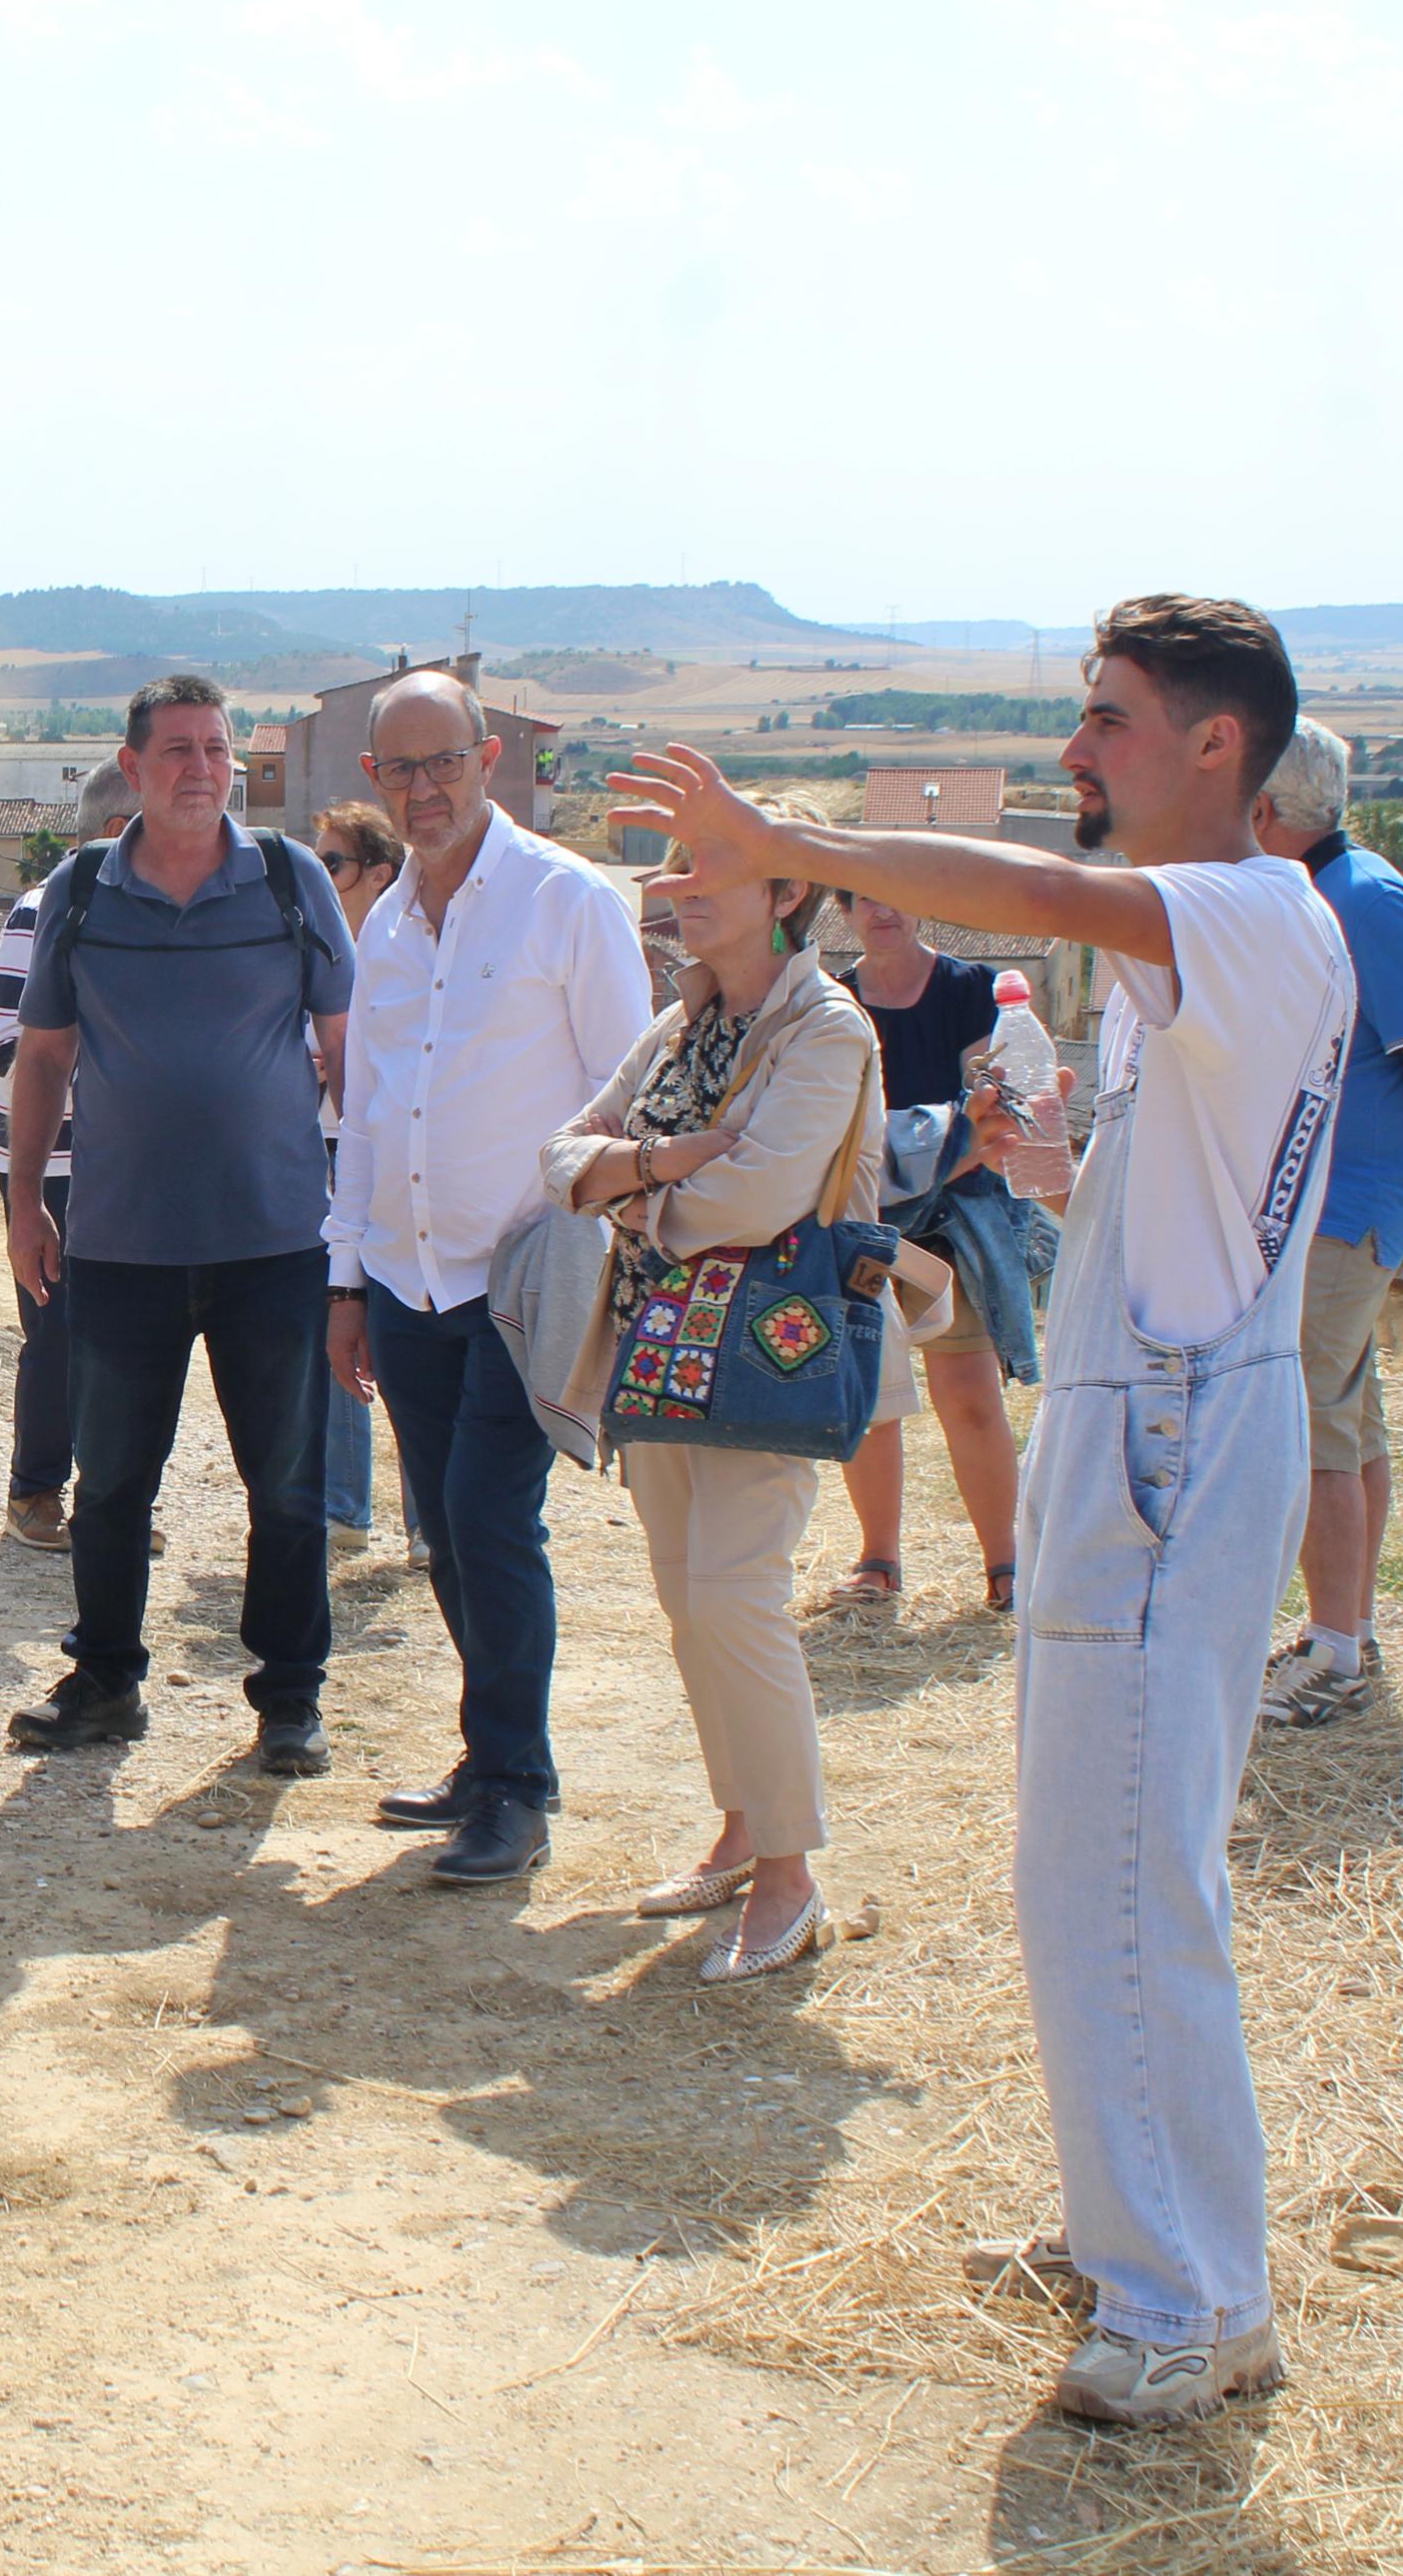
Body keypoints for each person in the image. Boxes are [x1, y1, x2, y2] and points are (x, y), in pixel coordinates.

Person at [611, 592, 1352, 2427]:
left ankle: (1181, 2300)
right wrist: (1058, 1170)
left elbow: (1026, 890)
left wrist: (791, 843)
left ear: (1212, 745)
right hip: (1158, 1417)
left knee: (1107, 1869)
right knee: (1098, 1859)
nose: (1077, 751)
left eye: (1108, 719)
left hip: (1170, 1436)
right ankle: (1152, 2246)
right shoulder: (1222, 944)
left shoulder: (1241, 905)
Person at [541, 807, 926, 1980]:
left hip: (769, 1346)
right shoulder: (677, 1023)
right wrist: (660, 1163)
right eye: (678, 867)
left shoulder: (825, 1030)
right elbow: (563, 1150)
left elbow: (756, 1200)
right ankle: (743, 1827)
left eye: (716, 868)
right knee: (684, 1596)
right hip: (659, 1340)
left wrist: (630, 1185)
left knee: (733, 1599)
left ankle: (791, 1874)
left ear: (782, 897)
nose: (683, 886)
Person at [327, 669, 655, 1883]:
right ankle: (488, 1756)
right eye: (398, 769)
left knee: (485, 1518)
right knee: (446, 1532)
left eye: (443, 762)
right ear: (373, 779)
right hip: (408, 1282)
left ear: (488, 758)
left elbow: (630, 1090)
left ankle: (516, 1784)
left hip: (526, 1280)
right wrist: (346, 1281)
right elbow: (363, 1111)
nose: (423, 789)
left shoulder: (566, 901)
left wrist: (605, 1257)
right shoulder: (383, 922)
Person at [2, 675, 356, 1776]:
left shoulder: (293, 882)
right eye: (176, 750)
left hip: (276, 1243)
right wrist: (22, 1203)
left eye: (215, 749)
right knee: (109, 1484)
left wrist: (365, 1228)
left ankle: (288, 1701)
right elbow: (44, 1057)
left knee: (286, 1487)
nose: (199, 769)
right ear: (133, 763)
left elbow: (348, 1056)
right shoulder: (81, 891)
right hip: (118, 1241)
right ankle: (105, 1680)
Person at [1252, 717, 1403, 1729]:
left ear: (1266, 806)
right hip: (1336, 1202)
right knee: (1347, 1419)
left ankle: (1334, 1654)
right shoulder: (1325, 894)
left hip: (1347, 1203)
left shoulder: (1368, 901)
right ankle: (1343, 1629)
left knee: (1310, 1428)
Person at [825, 895, 1029, 1615]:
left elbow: (997, 1111)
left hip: (955, 1224)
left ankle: (1006, 1567)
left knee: (969, 1396)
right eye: (863, 901)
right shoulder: (834, 1000)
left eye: (897, 898)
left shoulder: (972, 990)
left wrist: (935, 1157)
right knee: (872, 1402)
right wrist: (943, 1145)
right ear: (843, 912)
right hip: (862, 1219)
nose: (883, 914)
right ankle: (877, 1560)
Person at [0, 763, 139, 1553]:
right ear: (116, 833)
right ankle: (33, 1491)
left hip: (130, 1165)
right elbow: (2, 1049)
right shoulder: (40, 908)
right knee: (57, 1332)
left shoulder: (152, 913)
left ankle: (110, 1501)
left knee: (127, 1340)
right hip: (55, 1169)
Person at [309, 799, 404, 1561]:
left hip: (391, 1159)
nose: (318, 874)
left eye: (331, 862)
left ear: (377, 873)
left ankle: (426, 1522)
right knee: (335, 1324)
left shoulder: (410, 955)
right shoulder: (311, 947)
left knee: (407, 1329)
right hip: (324, 1152)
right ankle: (344, 1505)